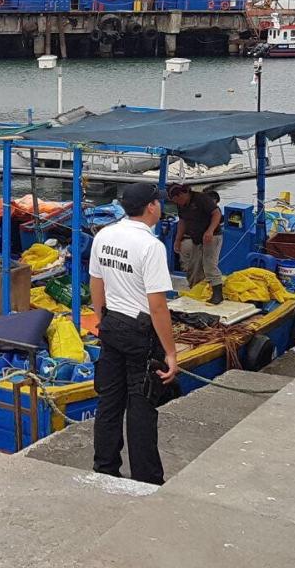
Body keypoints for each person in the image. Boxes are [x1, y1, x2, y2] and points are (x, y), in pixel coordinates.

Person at [90, 182, 178, 485]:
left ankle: (105, 466)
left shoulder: (104, 235)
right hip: (140, 332)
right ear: (151, 207)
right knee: (142, 406)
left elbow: (96, 284)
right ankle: (146, 477)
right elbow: (158, 306)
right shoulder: (151, 246)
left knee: (109, 401)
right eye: (158, 202)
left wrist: (102, 320)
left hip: (111, 324)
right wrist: (171, 352)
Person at [168, 183, 224, 303]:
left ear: (182, 194)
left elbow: (217, 213)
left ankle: (218, 294)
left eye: (176, 200)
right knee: (194, 266)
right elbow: (182, 221)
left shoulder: (201, 199)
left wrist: (210, 230)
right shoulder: (181, 205)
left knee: (209, 265)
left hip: (212, 236)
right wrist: (178, 239)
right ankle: (196, 289)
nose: (176, 203)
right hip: (196, 238)